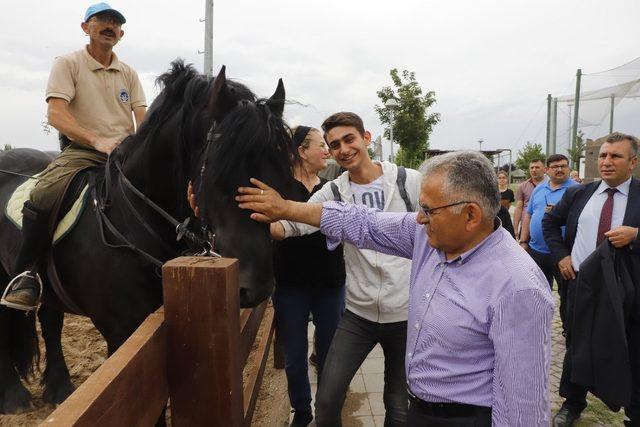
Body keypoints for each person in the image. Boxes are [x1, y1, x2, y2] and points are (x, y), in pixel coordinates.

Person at [237, 150, 554, 426]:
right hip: (422, 411)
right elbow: (363, 223)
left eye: (429, 210)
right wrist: (285, 209)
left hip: (465, 419)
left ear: (470, 214)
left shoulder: (518, 287)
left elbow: (523, 407)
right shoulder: (428, 238)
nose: (419, 218)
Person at [272, 112, 421, 426]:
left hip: (406, 313)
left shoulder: (409, 181)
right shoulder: (334, 192)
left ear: (366, 138)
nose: (343, 149)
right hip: (358, 314)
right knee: (326, 402)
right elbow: (289, 226)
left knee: (398, 405)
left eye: (349, 139)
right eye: (334, 144)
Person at [1, 2, 146, 311]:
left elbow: (141, 118)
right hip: (82, 152)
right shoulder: (68, 64)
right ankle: (27, 274)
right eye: (101, 20)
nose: (109, 26)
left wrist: (141, 147)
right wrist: (97, 140)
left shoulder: (129, 73)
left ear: (122, 33)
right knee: (43, 193)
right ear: (85, 28)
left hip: (123, 155)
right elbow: (56, 113)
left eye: (115, 23)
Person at [542, 132, 640, 426]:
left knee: (631, 347)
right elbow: (550, 222)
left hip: (627, 289)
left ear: (632, 162)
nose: (607, 162)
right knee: (577, 345)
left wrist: (636, 235)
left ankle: (633, 412)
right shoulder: (578, 194)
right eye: (603, 156)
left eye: (616, 156)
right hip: (581, 285)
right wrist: (561, 256)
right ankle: (572, 403)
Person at [273, 126, 346, 427]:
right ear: (302, 151)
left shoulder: (332, 187)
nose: (328, 150)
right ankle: (301, 410)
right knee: (294, 355)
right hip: (291, 286)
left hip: (331, 284)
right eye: (322, 145)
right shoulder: (279, 189)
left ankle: (327, 411)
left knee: (330, 354)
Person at [519, 154, 577, 331]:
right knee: (536, 293)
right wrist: (523, 241)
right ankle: (536, 328)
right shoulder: (539, 189)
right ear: (547, 170)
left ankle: (569, 331)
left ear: (568, 168)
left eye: (563, 166)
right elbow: (528, 215)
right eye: (555, 166)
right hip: (537, 251)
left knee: (566, 295)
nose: (559, 169)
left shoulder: (577, 190)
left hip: (563, 255)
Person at [513, 158, 546, 239]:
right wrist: (515, 228)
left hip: (545, 227)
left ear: (545, 169)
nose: (534, 170)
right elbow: (519, 207)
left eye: (537, 167)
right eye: (532, 168)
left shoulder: (550, 185)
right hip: (526, 227)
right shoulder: (523, 186)